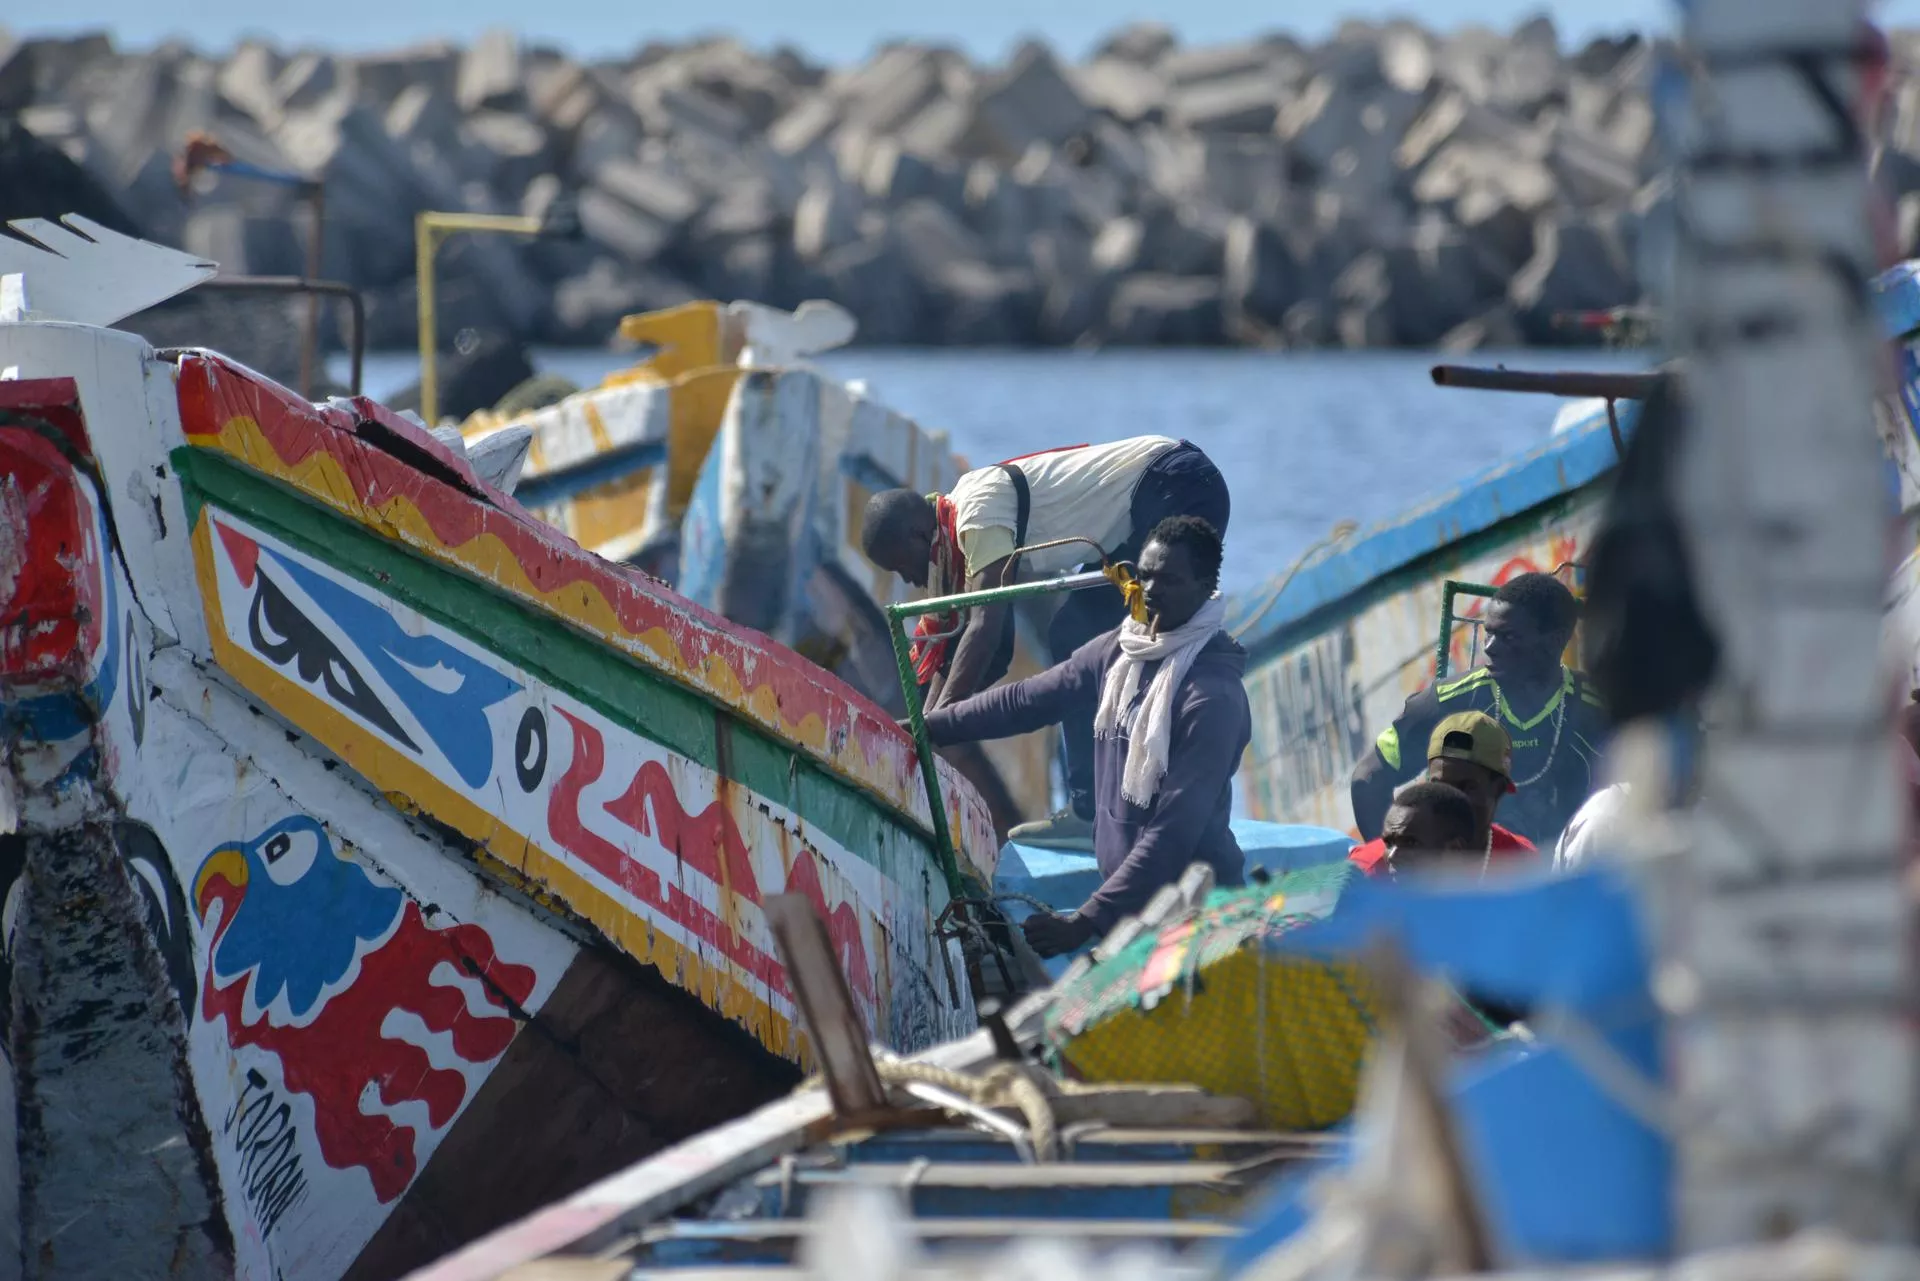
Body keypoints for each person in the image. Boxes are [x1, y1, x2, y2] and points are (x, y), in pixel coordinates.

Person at [861, 436, 1231, 851]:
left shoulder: (976, 516)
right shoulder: (959, 529)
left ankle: (1177, 805)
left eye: (902, 566)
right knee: (1075, 634)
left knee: (1145, 640)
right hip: (1152, 500)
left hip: (1178, 484)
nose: (910, 580)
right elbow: (991, 653)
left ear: (916, 535)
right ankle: (1093, 809)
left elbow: (985, 624)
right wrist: (926, 727)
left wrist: (936, 725)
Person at [920, 516, 1248, 956]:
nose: (1150, 590)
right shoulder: (1122, 646)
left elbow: (1173, 833)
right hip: (1132, 912)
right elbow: (1028, 700)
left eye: (1169, 579)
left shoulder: (1212, 699)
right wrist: (932, 727)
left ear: (1206, 585)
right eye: (1145, 575)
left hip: (1198, 917)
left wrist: (1085, 921)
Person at [1351, 572, 1606, 848]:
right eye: (1489, 633)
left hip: (1572, 877)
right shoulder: (1450, 701)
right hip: (1469, 877)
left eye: (1507, 636)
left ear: (1554, 641)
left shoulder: (1597, 707)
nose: (1489, 648)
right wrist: (1394, 866)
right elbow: (1369, 776)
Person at [1349, 712, 1538, 876]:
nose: (1450, 800)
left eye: (1467, 788)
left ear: (1498, 790)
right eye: (1440, 787)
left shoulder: (1523, 863)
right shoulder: (1372, 869)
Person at [1353, 780, 1483, 877]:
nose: (1392, 856)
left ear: (1454, 851)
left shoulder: (1493, 911)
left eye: (1410, 843)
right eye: (1388, 844)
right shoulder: (1370, 909)